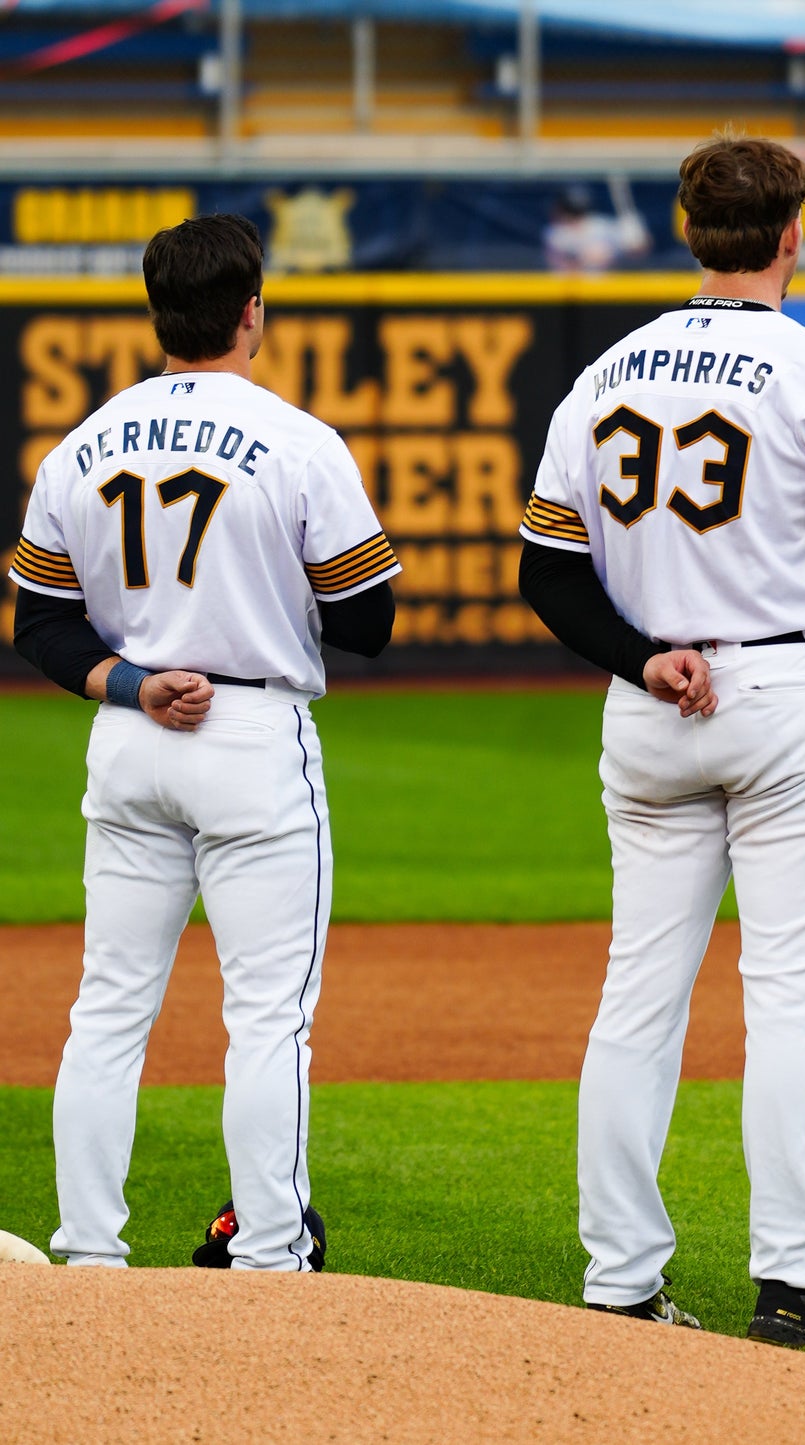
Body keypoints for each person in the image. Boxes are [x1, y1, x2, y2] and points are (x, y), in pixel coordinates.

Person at [518, 133, 805, 1350]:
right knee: (786, 998)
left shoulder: (605, 373)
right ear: (790, 235)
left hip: (651, 700)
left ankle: (618, 1275)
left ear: (686, 230)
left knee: (635, 998)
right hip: (783, 692)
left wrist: (645, 655)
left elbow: (546, 572)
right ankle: (794, 1275)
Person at [8, 213, 400, 1270]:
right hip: (250, 737)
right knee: (267, 1019)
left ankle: (88, 1248)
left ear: (156, 316)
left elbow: (37, 624)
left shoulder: (80, 444)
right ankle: (271, 1250)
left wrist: (131, 679)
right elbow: (368, 619)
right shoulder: (299, 438)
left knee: (108, 1009)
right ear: (251, 313)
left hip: (132, 734)